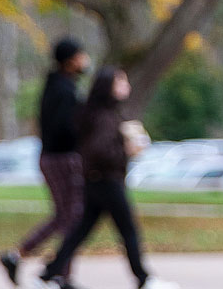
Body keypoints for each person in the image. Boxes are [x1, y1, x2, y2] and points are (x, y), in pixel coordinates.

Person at [48, 66, 172, 289]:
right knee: (128, 230)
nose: (127, 86)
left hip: (95, 181)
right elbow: (99, 150)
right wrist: (127, 149)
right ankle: (144, 279)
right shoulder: (105, 116)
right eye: (121, 82)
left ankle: (48, 274)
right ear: (109, 86)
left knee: (80, 231)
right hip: (107, 181)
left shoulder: (99, 113)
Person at [2, 38, 91, 285]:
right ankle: (62, 275)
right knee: (73, 217)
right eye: (82, 55)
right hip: (63, 157)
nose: (86, 60)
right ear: (71, 60)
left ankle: (17, 255)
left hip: (51, 156)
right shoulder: (64, 90)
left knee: (63, 216)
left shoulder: (56, 85)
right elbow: (65, 127)